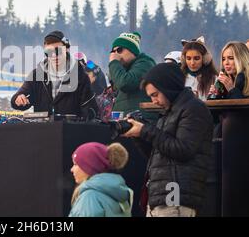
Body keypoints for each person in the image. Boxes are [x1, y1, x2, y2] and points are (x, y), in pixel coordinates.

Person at [123, 63, 213, 217]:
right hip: (161, 197)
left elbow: (183, 150)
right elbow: (159, 153)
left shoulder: (194, 109)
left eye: (155, 94)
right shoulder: (169, 112)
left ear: (168, 88)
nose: (154, 101)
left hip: (176, 197)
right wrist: (138, 135)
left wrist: (145, 130)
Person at [11, 31, 97, 118]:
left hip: (70, 130)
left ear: (66, 49)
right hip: (42, 129)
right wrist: (18, 99)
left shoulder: (81, 76)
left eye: (58, 50)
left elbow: (91, 111)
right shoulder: (37, 75)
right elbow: (17, 98)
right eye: (49, 52)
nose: (54, 55)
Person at [69, 142, 133, 217]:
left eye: (76, 164)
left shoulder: (90, 197)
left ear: (89, 167)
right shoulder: (117, 192)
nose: (72, 169)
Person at [108, 32, 156, 117]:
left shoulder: (145, 63)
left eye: (119, 50)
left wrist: (114, 63)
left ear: (132, 51)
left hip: (142, 122)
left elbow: (125, 83)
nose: (115, 54)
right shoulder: (124, 70)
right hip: (124, 121)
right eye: (113, 51)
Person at [180, 36, 218, 101]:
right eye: (188, 58)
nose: (192, 63)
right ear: (184, 59)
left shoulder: (214, 79)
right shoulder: (178, 78)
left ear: (205, 59)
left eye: (196, 58)